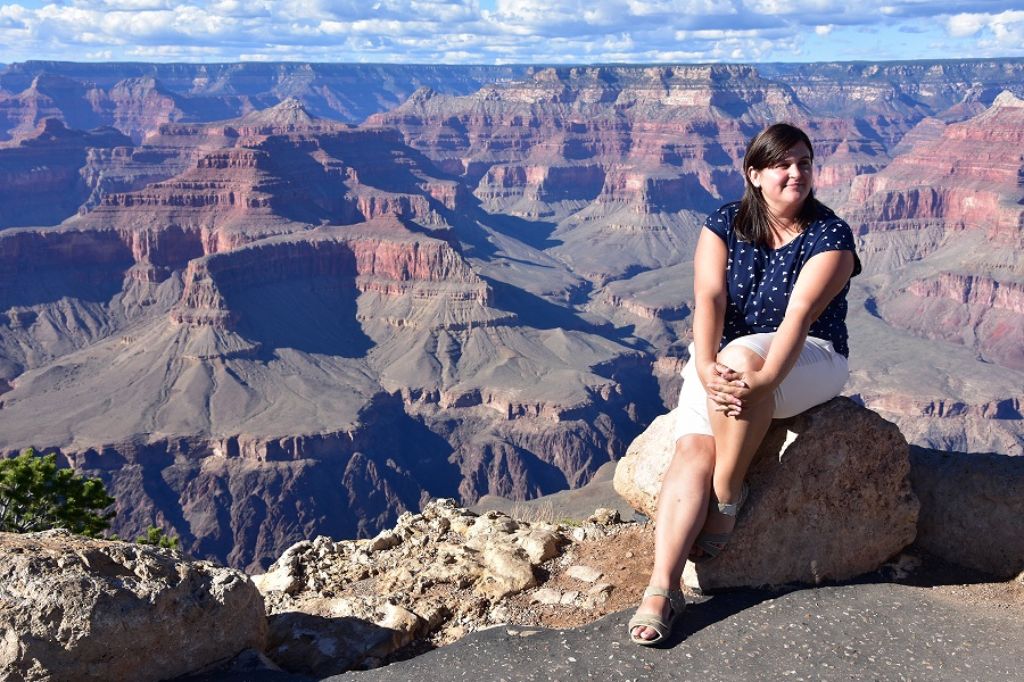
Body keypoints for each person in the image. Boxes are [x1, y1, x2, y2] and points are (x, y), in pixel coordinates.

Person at [628, 123, 861, 645]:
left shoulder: (831, 236)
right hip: (729, 358)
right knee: (692, 449)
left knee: (738, 359)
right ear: (754, 174)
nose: (797, 172)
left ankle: (728, 494)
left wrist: (765, 380)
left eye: (804, 162)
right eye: (783, 164)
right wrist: (704, 366)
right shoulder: (724, 224)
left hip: (811, 358)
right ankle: (662, 588)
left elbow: (800, 316)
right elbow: (709, 298)